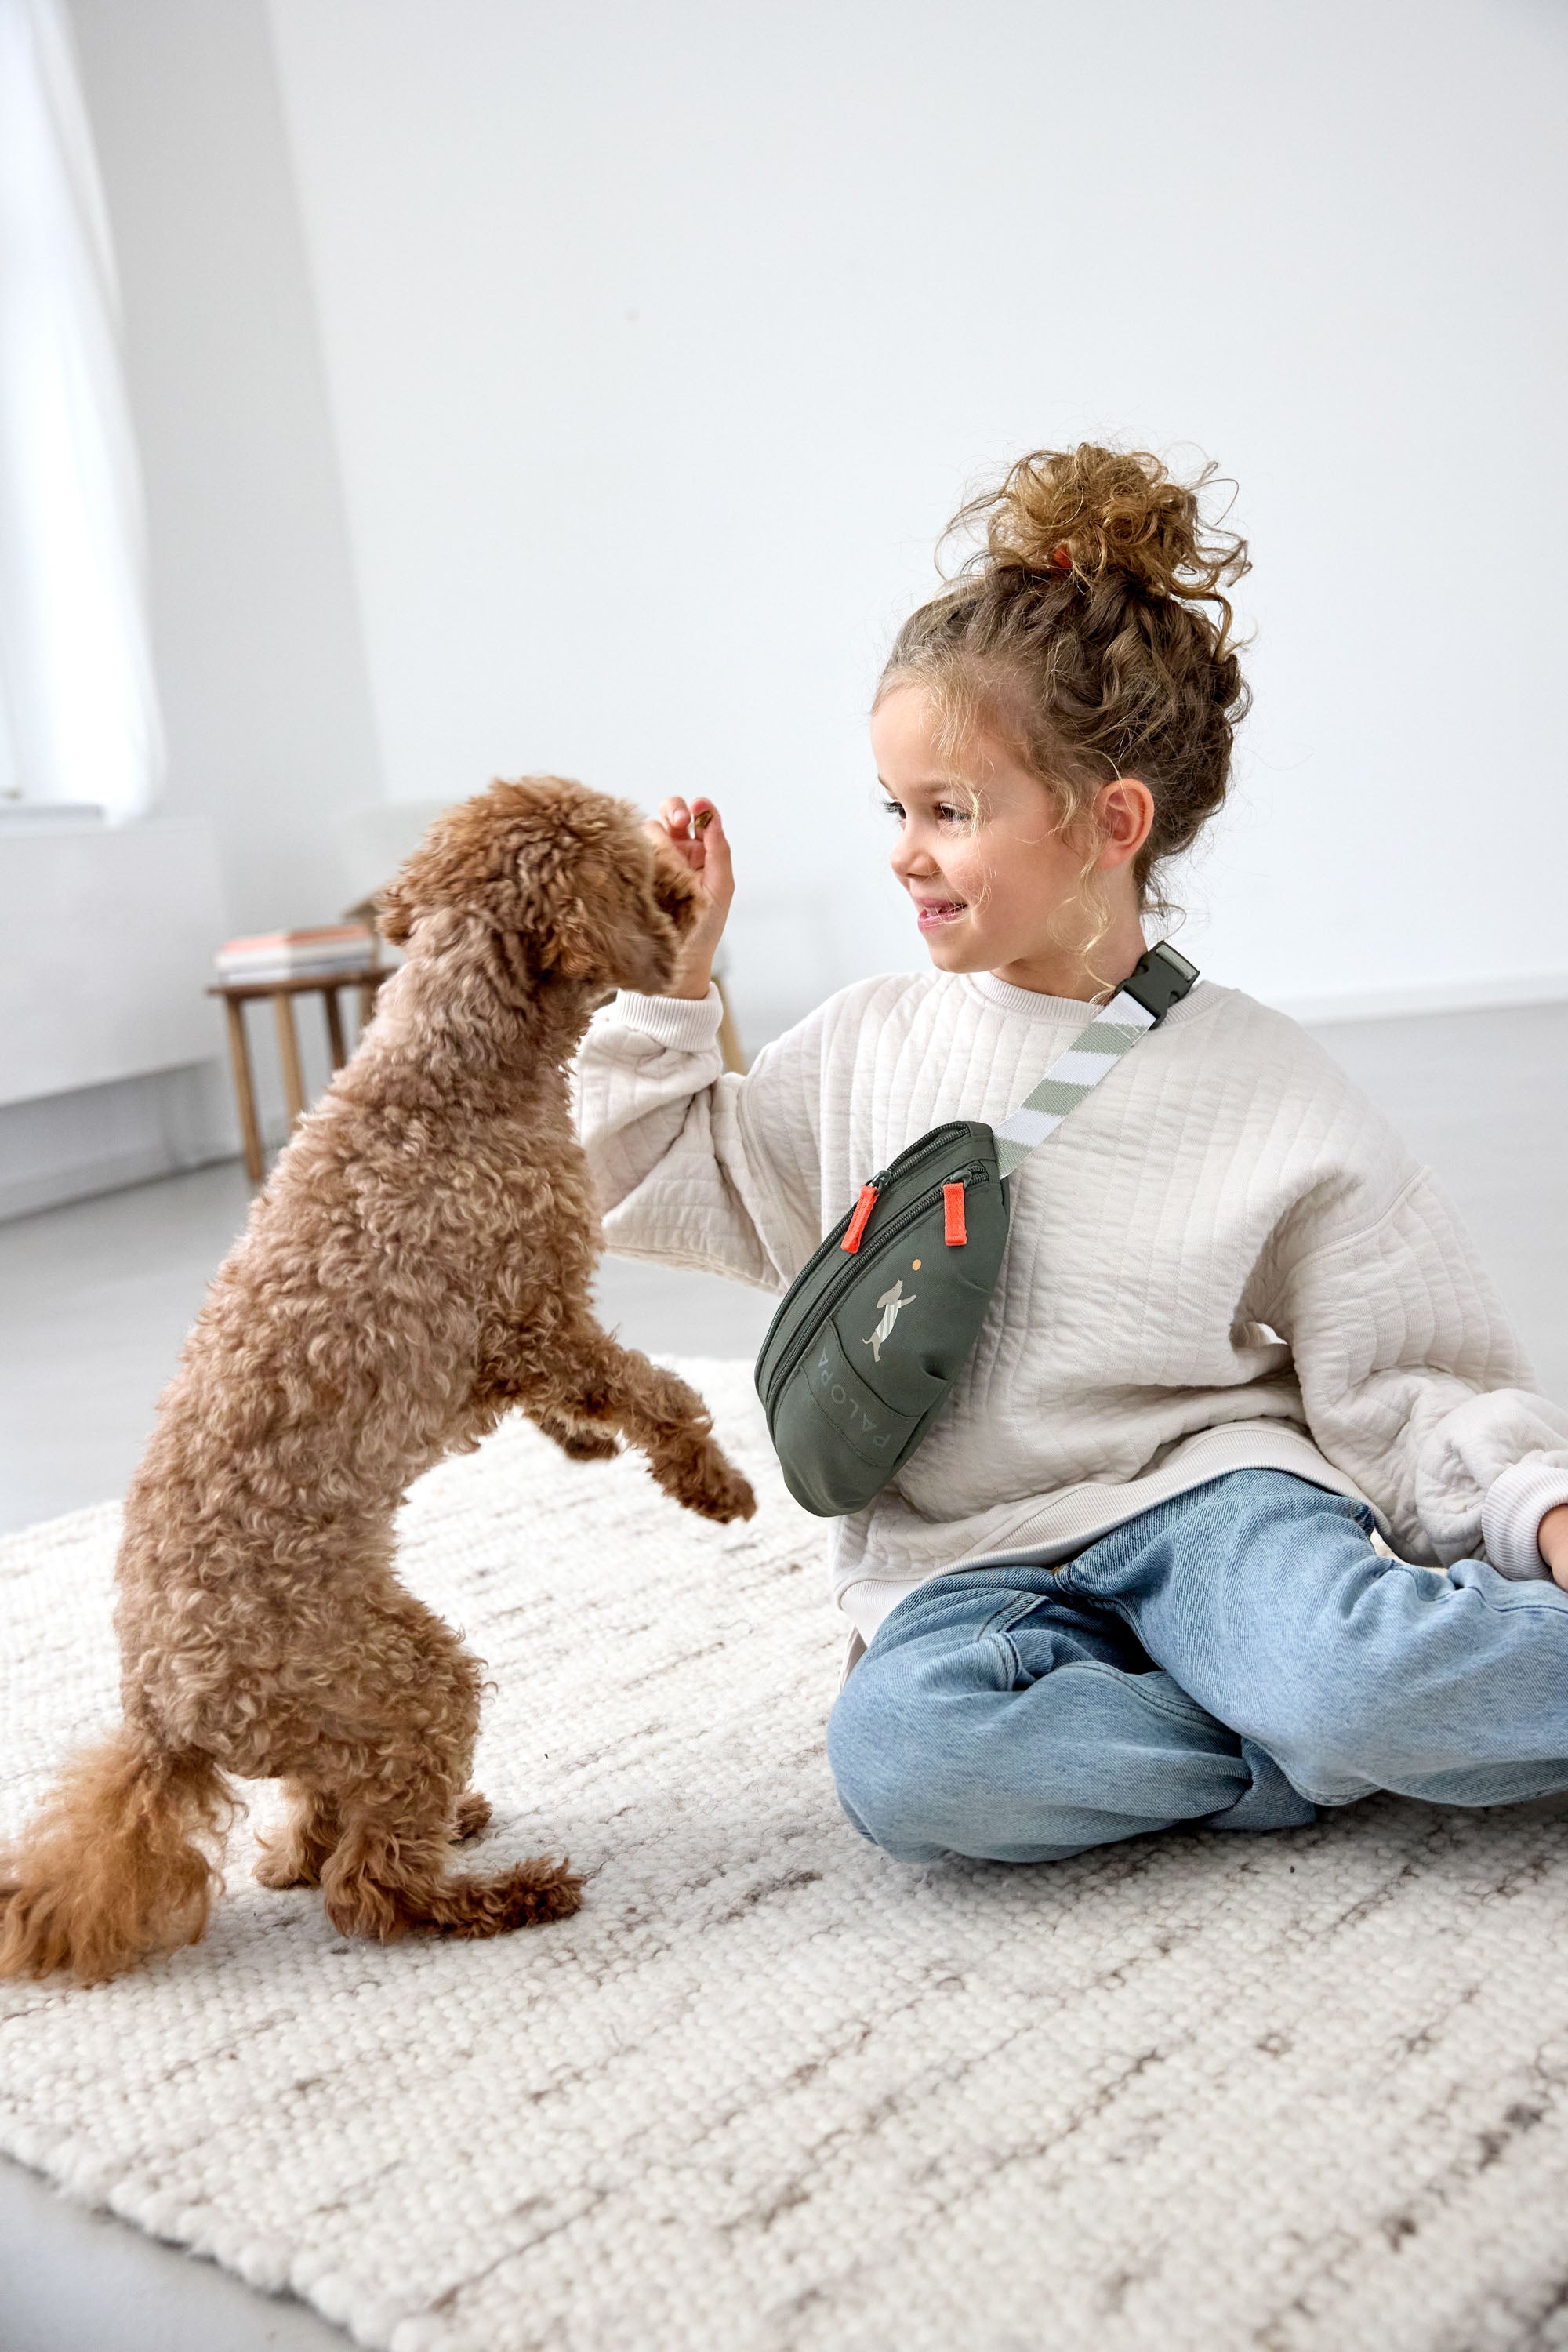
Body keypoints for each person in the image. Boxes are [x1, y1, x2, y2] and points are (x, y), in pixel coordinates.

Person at [574, 444, 1568, 1867]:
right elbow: (643, 1177)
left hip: (1214, 1501)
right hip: (961, 1558)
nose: (905, 855)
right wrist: (675, 981)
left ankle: (1329, 1705)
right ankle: (1292, 1747)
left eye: (952, 811)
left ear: (1112, 823)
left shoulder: (1262, 1079)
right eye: (895, 809)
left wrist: (1539, 1509)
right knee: (912, 1764)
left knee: (1373, 1672)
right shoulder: (864, 1042)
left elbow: (1411, 1372)